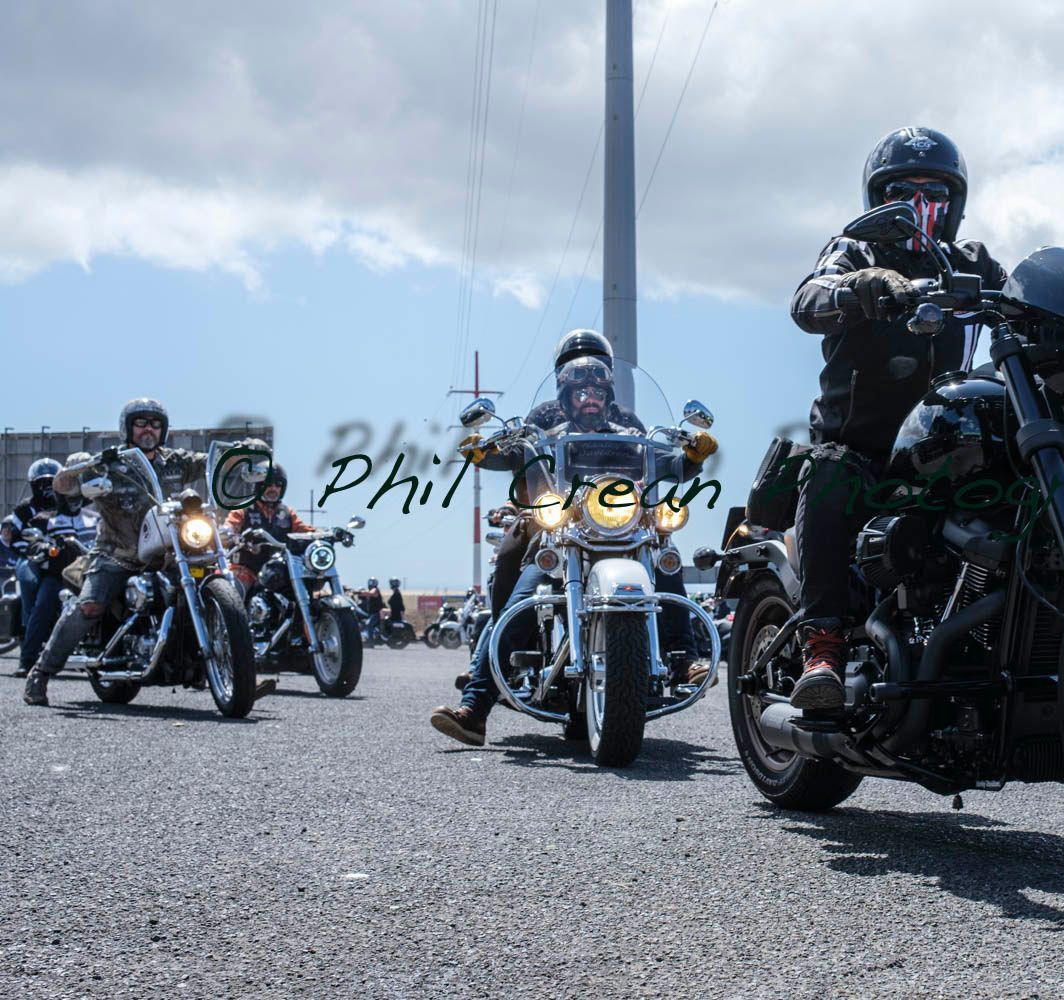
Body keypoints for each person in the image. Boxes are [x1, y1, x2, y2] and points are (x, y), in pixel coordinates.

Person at [783, 126, 1012, 710]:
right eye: (903, 192)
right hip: (862, 443)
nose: (919, 205)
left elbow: (1024, 300)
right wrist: (859, 288)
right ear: (879, 202)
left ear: (954, 203)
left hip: (944, 443)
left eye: (933, 191)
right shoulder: (855, 251)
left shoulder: (972, 262)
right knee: (829, 470)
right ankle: (825, 648)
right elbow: (808, 298)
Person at [429, 357, 715, 745]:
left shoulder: (629, 437)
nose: (590, 399)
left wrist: (691, 457)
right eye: (581, 393)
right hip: (563, 536)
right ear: (566, 399)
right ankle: (475, 709)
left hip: (624, 531)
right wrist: (484, 452)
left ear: (608, 397)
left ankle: (684, 661)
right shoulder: (544, 437)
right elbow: (515, 456)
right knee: (522, 600)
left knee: (666, 560)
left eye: (598, 392)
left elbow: (665, 462)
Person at [25, 398, 216, 705]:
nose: (148, 429)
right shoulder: (110, 464)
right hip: (118, 553)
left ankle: (230, 664)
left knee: (211, 578)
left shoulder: (175, 461)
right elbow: (63, 485)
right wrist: (83, 465)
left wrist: (243, 452)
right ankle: (41, 671)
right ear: (127, 428)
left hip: (168, 553)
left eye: (155, 424)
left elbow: (211, 461)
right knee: (89, 606)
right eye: (141, 423)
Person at [16, 455, 100, 678]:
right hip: (59, 575)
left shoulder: (96, 517)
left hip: (90, 572)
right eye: (70, 487)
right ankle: (28, 660)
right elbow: (32, 543)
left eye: (78, 487)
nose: (74, 493)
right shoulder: (46, 518)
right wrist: (44, 547)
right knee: (43, 604)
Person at [3, 458, 62, 668]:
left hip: (59, 558)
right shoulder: (24, 509)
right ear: (33, 485)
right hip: (31, 558)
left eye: (51, 482)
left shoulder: (64, 505)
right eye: (42, 483)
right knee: (29, 578)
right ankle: (30, 625)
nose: (46, 488)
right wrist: (29, 549)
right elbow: (9, 535)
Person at [224, 464, 314, 590]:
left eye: (278, 485)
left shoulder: (287, 513)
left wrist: (326, 533)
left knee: (308, 588)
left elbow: (304, 530)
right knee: (236, 590)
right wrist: (231, 535)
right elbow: (229, 528)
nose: (274, 488)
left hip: (277, 570)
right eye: (269, 484)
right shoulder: (243, 510)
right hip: (246, 570)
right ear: (259, 485)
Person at [358, 577, 385, 642]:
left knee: (369, 624)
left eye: (372, 582)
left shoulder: (375, 590)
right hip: (372, 613)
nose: (371, 584)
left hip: (377, 613)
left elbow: (371, 593)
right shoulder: (372, 591)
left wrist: (358, 592)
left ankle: (370, 641)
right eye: (370, 582)